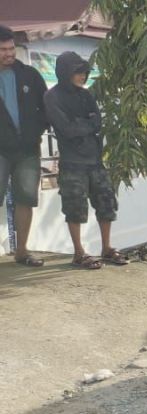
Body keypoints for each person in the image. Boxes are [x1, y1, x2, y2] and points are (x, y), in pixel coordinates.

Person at [44, 52, 130, 268]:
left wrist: (81, 123)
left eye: (84, 72)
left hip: (95, 160)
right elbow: (66, 129)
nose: (83, 76)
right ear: (65, 73)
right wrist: (86, 123)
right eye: (78, 72)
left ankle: (107, 248)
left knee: (106, 203)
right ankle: (79, 253)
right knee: (74, 208)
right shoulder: (52, 97)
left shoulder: (86, 95)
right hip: (72, 163)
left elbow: (97, 122)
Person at [0, 24, 49, 267]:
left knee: (26, 199)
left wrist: (34, 132)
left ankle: (22, 251)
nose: (9, 53)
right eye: (2, 50)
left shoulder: (30, 75)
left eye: (11, 48)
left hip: (27, 149)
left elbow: (46, 107)